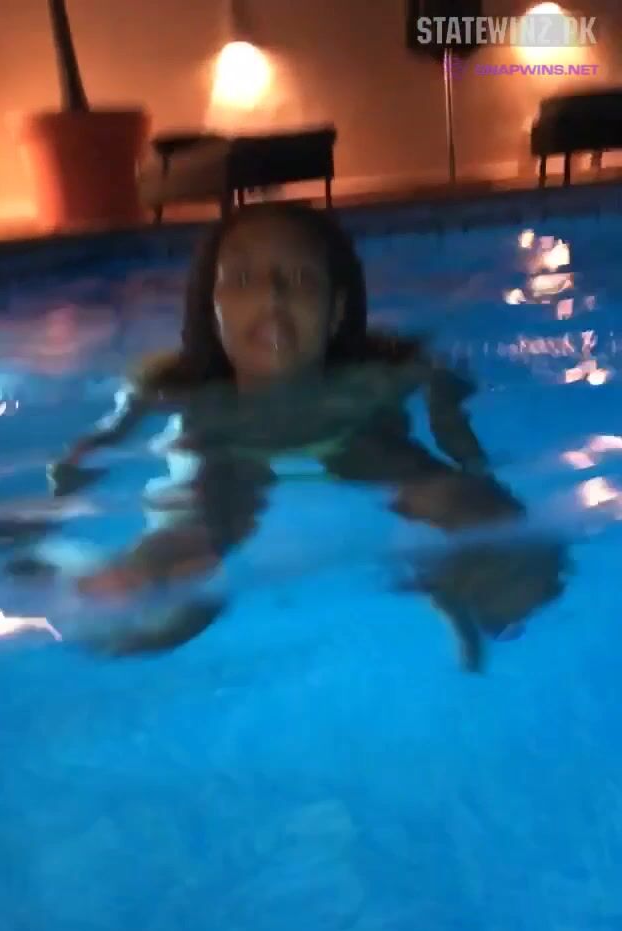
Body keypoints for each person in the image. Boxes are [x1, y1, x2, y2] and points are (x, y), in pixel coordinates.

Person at [37, 202, 567, 667]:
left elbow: (445, 403)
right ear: (212, 307)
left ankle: (464, 589)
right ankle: (115, 600)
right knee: (184, 552)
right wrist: (55, 500)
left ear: (336, 312)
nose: (271, 296)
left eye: (300, 280)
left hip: (355, 440)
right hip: (230, 455)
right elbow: (100, 443)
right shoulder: (174, 386)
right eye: (243, 279)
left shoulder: (377, 376)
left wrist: (473, 469)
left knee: (493, 525)